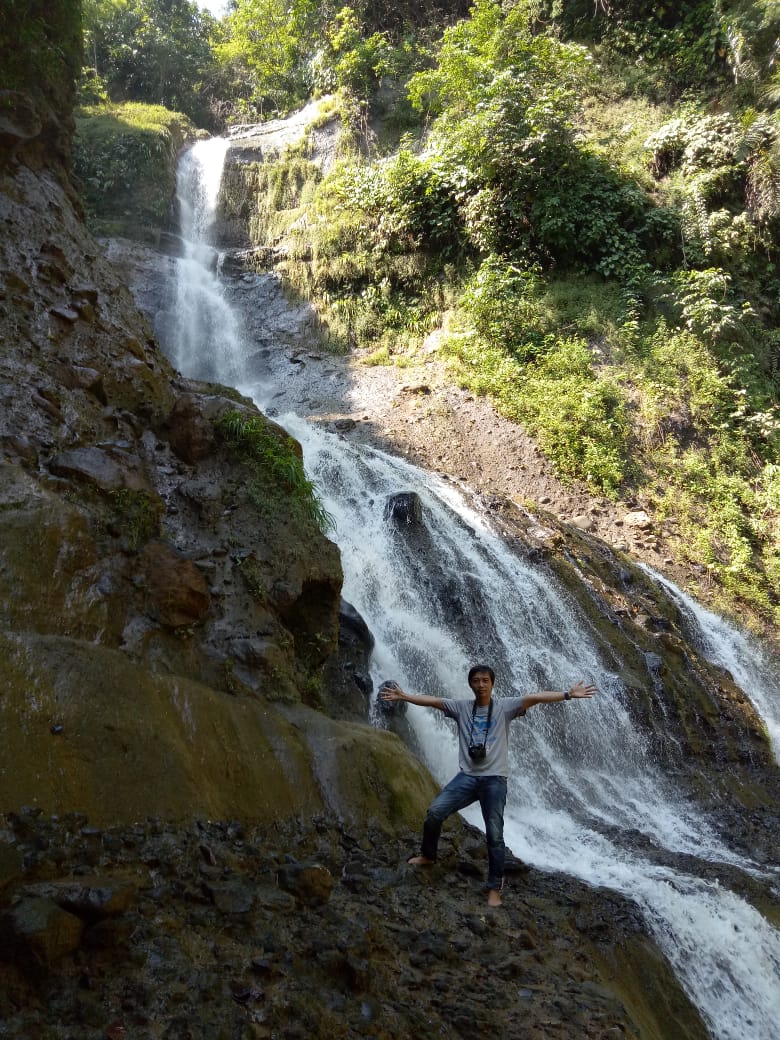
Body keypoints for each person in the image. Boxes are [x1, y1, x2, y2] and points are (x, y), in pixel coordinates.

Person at [380, 665, 597, 907]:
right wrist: (404, 696)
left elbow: (536, 697)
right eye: (476, 681)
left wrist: (567, 694)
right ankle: (428, 855)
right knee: (434, 813)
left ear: (492, 684)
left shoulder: (505, 706)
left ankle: (495, 886)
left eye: (485, 680)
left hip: (494, 780)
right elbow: (433, 701)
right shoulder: (461, 708)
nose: (481, 684)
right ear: (471, 684)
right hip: (468, 777)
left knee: (495, 834)